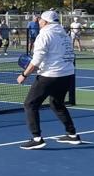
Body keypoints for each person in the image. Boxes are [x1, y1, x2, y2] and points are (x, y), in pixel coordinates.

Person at [15, 10, 82, 150]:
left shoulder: (44, 34)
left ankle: (37, 138)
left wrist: (24, 75)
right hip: (68, 74)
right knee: (57, 103)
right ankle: (72, 135)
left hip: (50, 75)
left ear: (45, 21)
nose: (38, 21)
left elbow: (37, 60)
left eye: (40, 20)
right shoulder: (64, 34)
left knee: (30, 104)